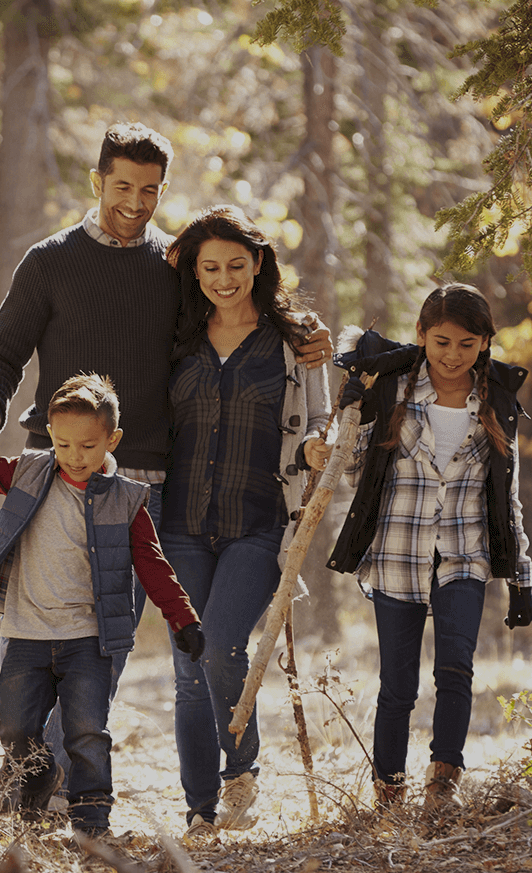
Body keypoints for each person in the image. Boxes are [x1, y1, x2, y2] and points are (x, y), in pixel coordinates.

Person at [0, 122, 332, 809]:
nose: (135, 201)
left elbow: (238, 314)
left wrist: (307, 334)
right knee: (48, 629)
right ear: (97, 181)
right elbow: (4, 349)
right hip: (57, 474)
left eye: (150, 190)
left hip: (145, 485)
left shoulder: (172, 266)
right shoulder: (48, 260)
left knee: (110, 639)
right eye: (123, 186)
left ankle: (45, 774)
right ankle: (28, 763)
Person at [0, 374, 203, 837]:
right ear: (50, 438)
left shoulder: (126, 499)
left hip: (88, 640)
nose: (75, 457)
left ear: (112, 440)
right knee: (13, 727)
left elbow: (152, 564)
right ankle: (37, 775)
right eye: (63, 444)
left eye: (88, 446)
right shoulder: (29, 473)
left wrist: (182, 617)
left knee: (86, 732)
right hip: (25, 634)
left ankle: (92, 820)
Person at [326, 282, 532, 814]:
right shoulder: (392, 391)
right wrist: (354, 418)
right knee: (397, 684)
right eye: (441, 342)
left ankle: (443, 784)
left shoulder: (497, 402)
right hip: (397, 554)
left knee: (455, 670)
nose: (452, 355)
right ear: (421, 336)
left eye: (467, 344)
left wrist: (521, 576)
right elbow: (352, 474)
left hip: (465, 555)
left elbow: (506, 493)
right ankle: (388, 793)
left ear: (485, 342)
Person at [160, 206, 332, 837]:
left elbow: (321, 417)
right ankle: (199, 808)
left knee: (222, 644)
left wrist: (318, 445)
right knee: (188, 666)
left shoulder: (295, 340)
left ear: (258, 263)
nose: (224, 278)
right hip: (179, 523)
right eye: (211, 267)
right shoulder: (176, 332)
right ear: (195, 272)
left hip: (260, 523)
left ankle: (240, 772)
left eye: (236, 264)